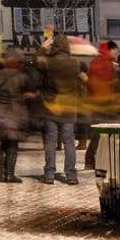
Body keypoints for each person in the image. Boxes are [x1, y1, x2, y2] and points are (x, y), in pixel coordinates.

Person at [37, 33, 81, 185]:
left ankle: (49, 173)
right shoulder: (74, 63)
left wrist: (43, 48)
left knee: (51, 140)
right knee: (69, 140)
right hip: (68, 107)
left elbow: (36, 61)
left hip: (52, 106)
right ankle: (71, 175)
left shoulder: (48, 62)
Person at [0, 48, 33, 182]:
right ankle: (10, 174)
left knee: (3, 143)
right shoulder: (22, 77)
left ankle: (2, 174)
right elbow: (28, 94)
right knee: (13, 144)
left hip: (0, 112)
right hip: (15, 113)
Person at [83, 42, 118, 169]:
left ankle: (94, 160)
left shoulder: (100, 62)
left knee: (101, 133)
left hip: (100, 103)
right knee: (100, 133)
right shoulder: (103, 63)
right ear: (109, 50)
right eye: (115, 50)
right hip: (101, 104)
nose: (117, 52)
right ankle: (91, 159)